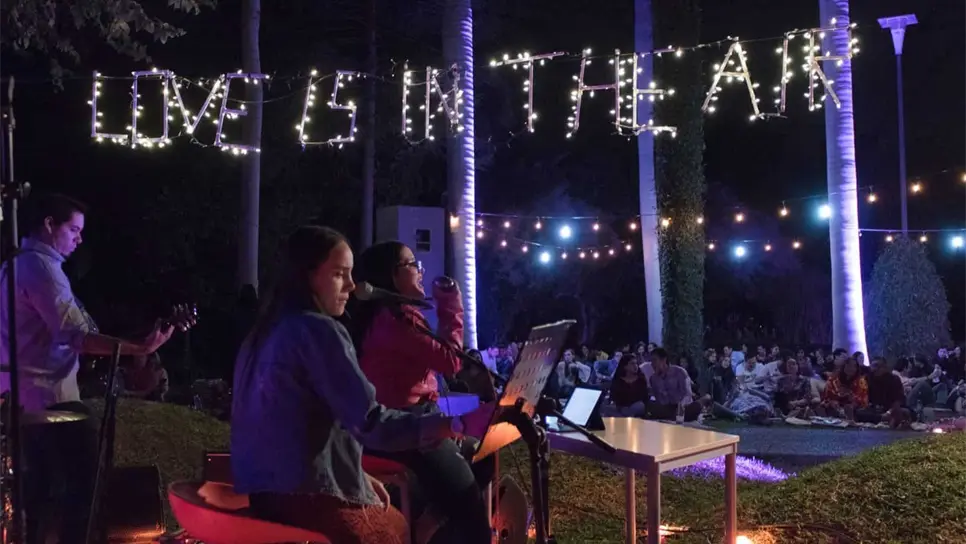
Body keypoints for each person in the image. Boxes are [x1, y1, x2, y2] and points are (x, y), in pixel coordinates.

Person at [231, 227, 494, 544]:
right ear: (307, 276)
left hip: (265, 495)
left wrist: (356, 475)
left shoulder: (262, 332)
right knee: (441, 524)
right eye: (339, 274)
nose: (351, 285)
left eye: (351, 274)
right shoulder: (319, 330)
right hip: (307, 498)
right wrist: (456, 423)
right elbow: (372, 423)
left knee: (401, 519)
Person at [0, 193, 175, 543]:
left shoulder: (13, 265)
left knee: (39, 493)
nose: (79, 239)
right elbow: (76, 335)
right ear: (49, 225)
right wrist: (141, 349)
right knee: (86, 488)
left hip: (23, 399)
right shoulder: (42, 269)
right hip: (50, 399)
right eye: (74, 230)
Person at [352, 240, 493, 544]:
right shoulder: (397, 321)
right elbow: (451, 361)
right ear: (392, 275)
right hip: (403, 425)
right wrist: (451, 303)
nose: (420, 271)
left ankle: (428, 523)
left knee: (485, 454)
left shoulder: (393, 315)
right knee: (471, 512)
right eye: (412, 264)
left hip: (414, 416)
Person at [646, 348, 703, 422]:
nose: (652, 364)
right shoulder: (653, 379)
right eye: (651, 361)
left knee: (696, 406)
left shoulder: (680, 372)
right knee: (650, 406)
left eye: (654, 360)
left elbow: (687, 394)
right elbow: (658, 399)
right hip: (665, 409)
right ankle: (671, 417)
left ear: (664, 360)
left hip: (682, 407)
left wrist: (680, 407)